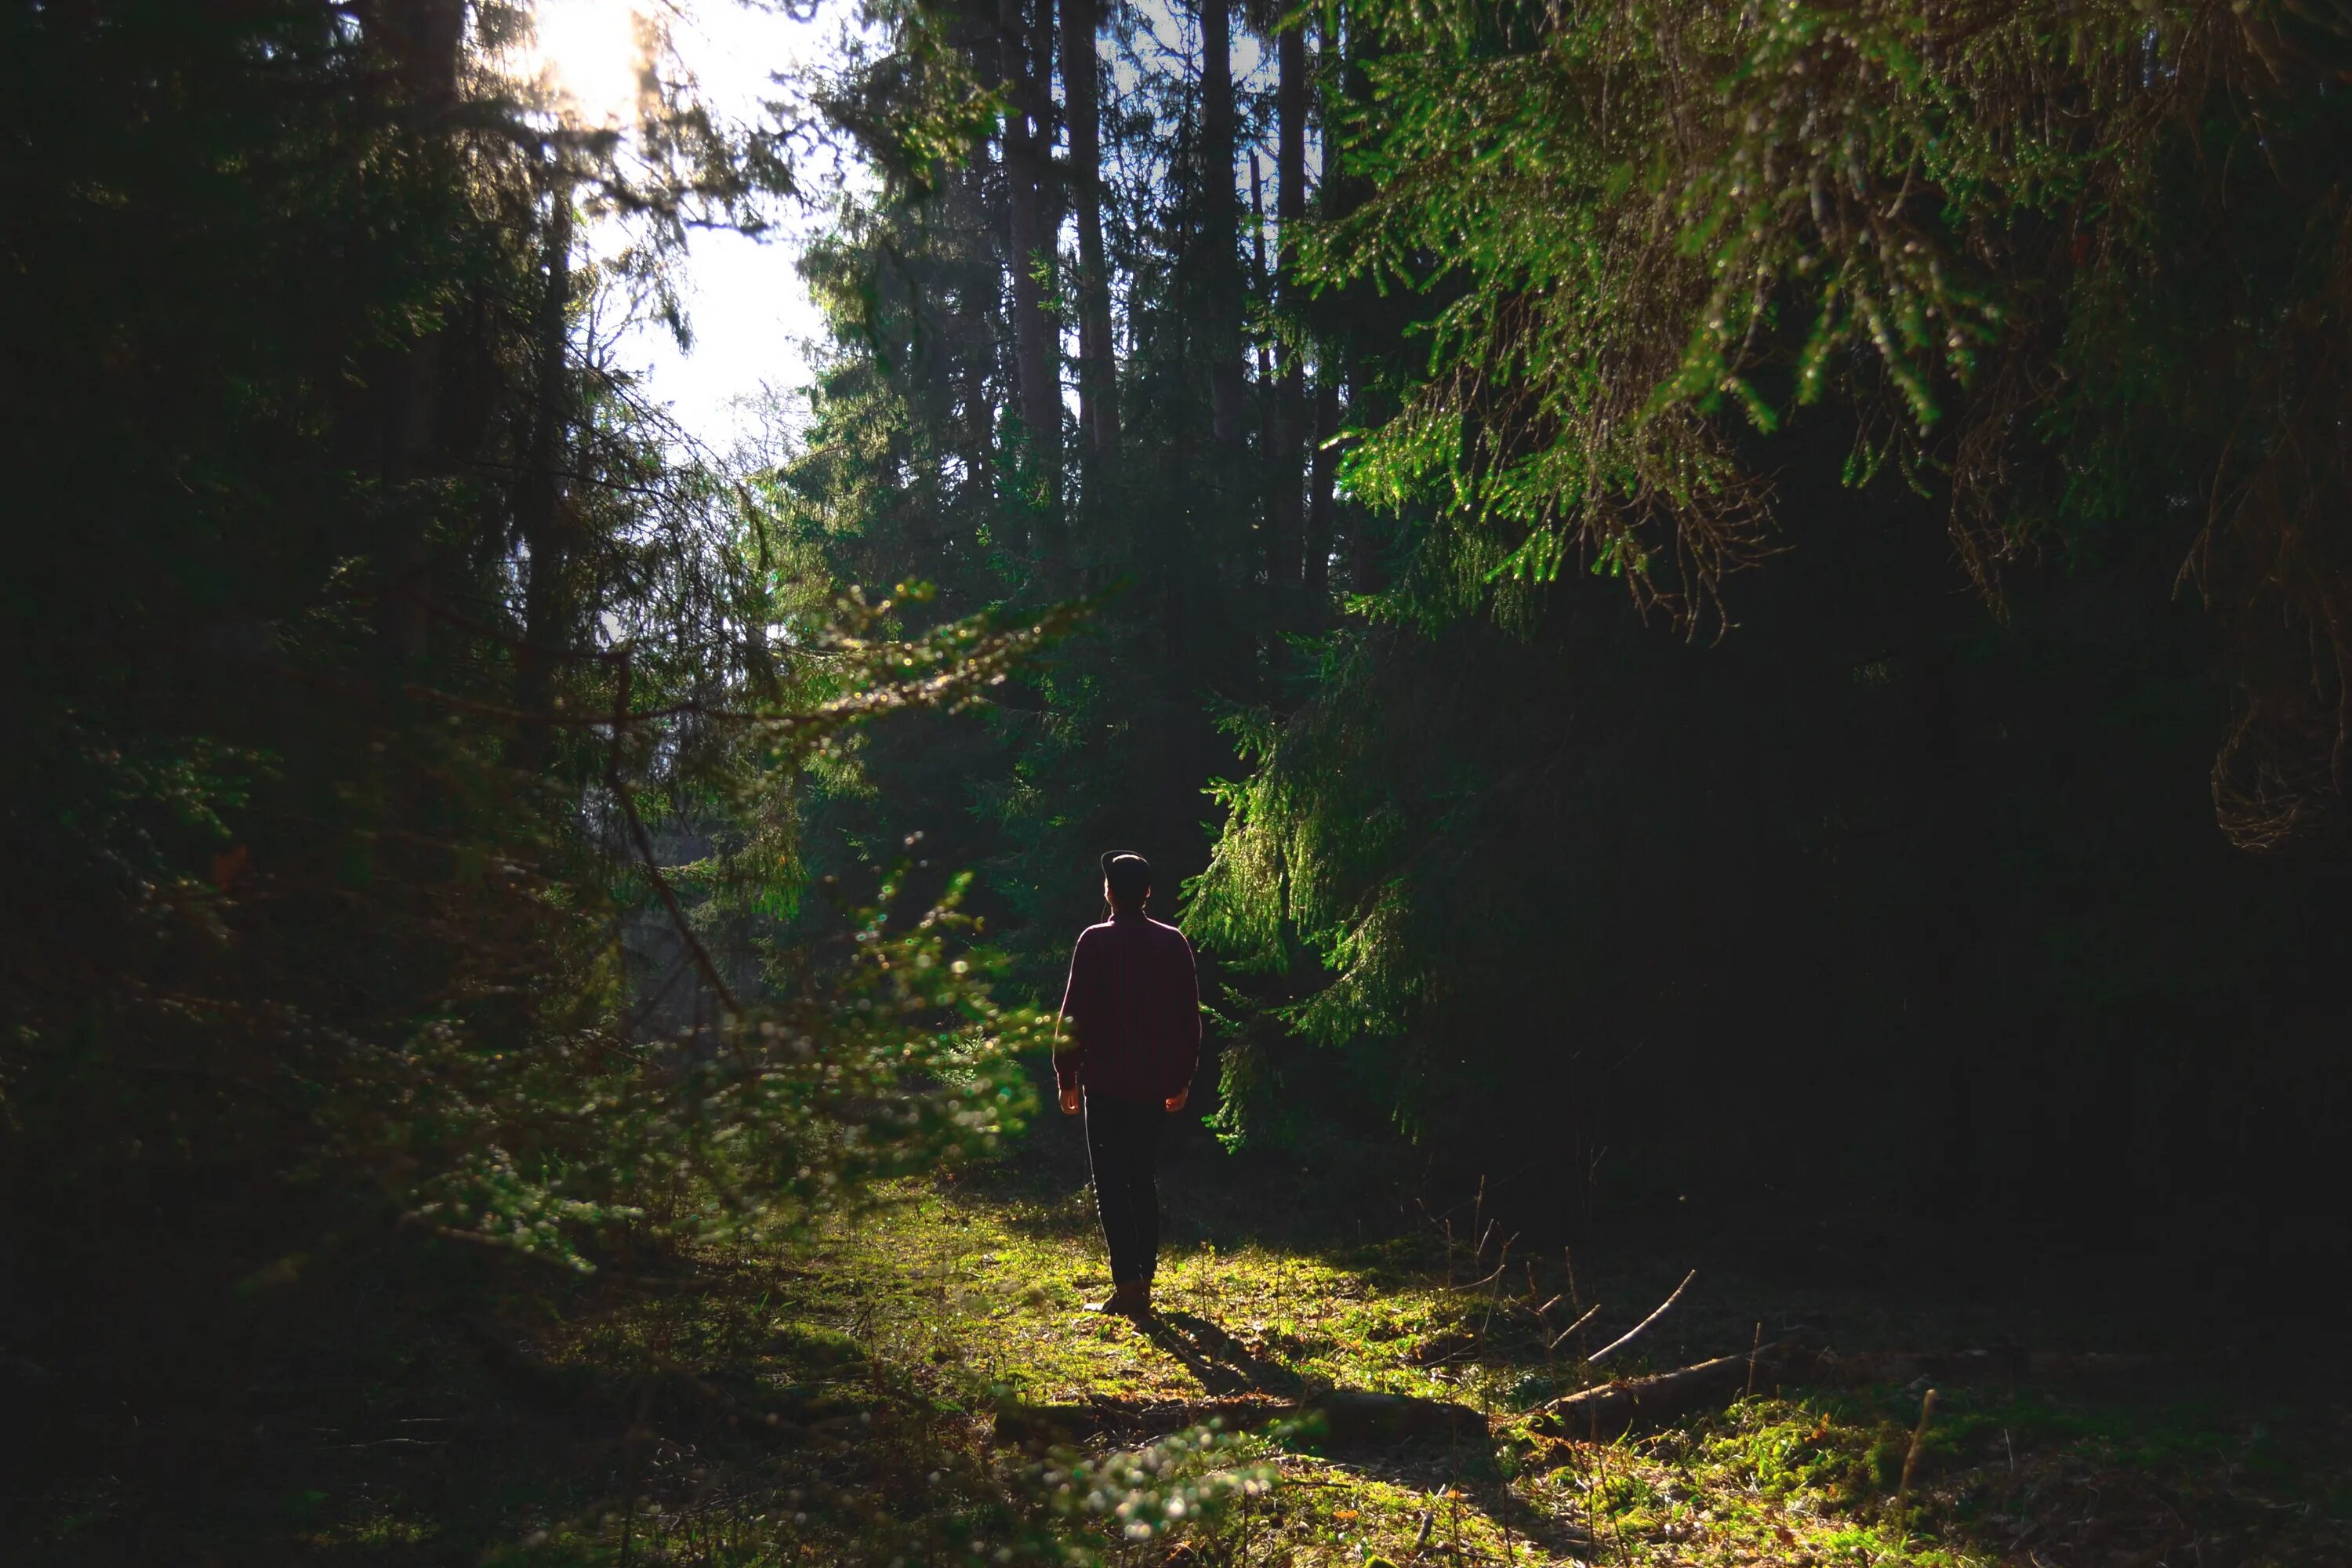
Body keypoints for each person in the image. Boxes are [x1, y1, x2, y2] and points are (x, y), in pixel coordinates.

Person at [1054, 851, 1201, 1318]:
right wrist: (1182, 1079)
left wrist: (1067, 1075)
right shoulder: (1172, 942)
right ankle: (1143, 1284)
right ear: (1149, 893)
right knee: (1142, 1179)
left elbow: (1073, 1016)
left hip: (1105, 1085)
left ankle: (1130, 1285)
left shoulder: (1093, 941)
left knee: (1112, 1183)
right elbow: (1188, 1021)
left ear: (1109, 892)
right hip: (1153, 1086)